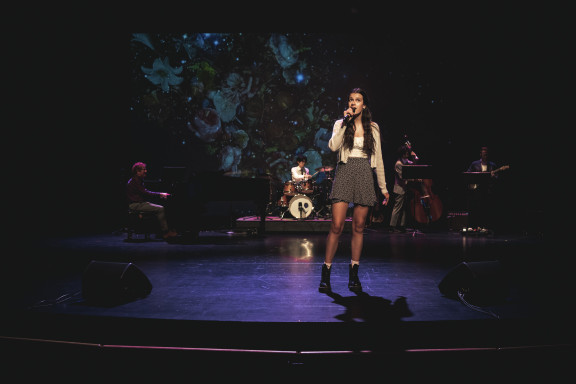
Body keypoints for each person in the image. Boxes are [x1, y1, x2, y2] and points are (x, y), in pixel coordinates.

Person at [319, 88, 389, 293]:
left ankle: (354, 274)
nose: (353, 103)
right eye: (350, 100)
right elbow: (333, 147)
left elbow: (379, 160)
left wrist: (383, 188)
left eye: (357, 100)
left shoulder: (373, 128)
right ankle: (326, 272)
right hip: (345, 170)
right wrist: (344, 123)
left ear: (364, 105)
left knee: (359, 227)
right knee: (337, 226)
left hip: (364, 172)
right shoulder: (340, 124)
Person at [126, 162, 178, 240]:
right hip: (136, 205)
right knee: (160, 208)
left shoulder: (137, 180)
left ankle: (162, 231)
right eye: (144, 169)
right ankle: (165, 232)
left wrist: (158, 195)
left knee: (159, 207)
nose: (146, 171)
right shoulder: (134, 181)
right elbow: (145, 192)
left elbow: (144, 193)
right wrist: (160, 194)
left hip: (139, 203)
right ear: (138, 172)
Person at [465, 146, 499, 231]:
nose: (485, 156)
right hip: (476, 191)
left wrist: (493, 176)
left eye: (487, 154)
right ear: (480, 154)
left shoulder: (492, 165)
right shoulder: (474, 164)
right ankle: (473, 226)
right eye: (484, 154)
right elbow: (468, 174)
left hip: (487, 191)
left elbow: (497, 178)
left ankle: (485, 227)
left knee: (485, 210)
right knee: (475, 209)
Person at [389, 143, 419, 233]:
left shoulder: (405, 161)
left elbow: (414, 164)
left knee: (403, 208)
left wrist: (414, 156)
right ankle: (392, 226)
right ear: (403, 154)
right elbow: (402, 177)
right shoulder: (398, 164)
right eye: (407, 152)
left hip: (404, 188)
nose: (408, 154)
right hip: (399, 188)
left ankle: (401, 225)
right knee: (398, 207)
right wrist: (414, 179)